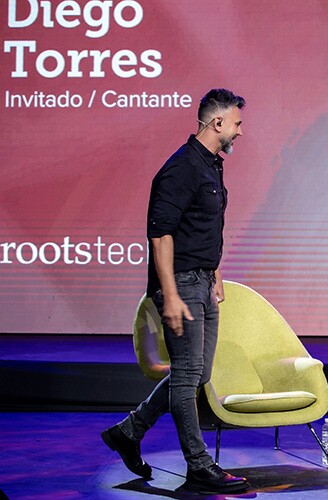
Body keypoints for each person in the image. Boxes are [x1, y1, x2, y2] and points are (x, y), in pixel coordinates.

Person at [101, 88, 249, 494]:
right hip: (180, 284)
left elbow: (202, 227)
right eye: (236, 123)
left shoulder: (211, 166)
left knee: (197, 372)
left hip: (202, 280)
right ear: (216, 123)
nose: (240, 131)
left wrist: (216, 271)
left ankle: (129, 431)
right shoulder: (181, 168)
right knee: (186, 377)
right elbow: (161, 235)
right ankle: (199, 466)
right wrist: (170, 295)